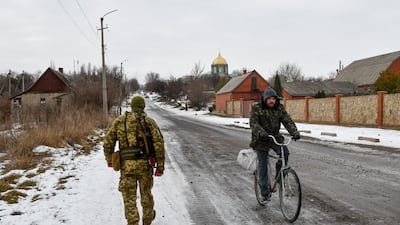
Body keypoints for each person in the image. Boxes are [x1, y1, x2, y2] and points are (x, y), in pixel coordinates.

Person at [103, 96, 165, 225]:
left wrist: (109, 159)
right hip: (144, 166)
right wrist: (160, 167)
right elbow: (159, 144)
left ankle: (133, 222)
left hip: (127, 167)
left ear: (131, 106)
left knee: (129, 199)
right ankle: (147, 221)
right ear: (143, 107)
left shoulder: (120, 121)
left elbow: (108, 142)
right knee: (146, 195)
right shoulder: (149, 122)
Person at [249, 87, 300, 203]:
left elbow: (287, 120)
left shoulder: (279, 108)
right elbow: (253, 123)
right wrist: (260, 132)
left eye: (273, 99)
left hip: (274, 137)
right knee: (262, 165)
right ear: (265, 99)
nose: (271, 101)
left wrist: (294, 132)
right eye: (269, 99)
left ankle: (279, 176)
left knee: (285, 153)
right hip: (261, 139)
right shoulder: (257, 108)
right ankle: (264, 194)